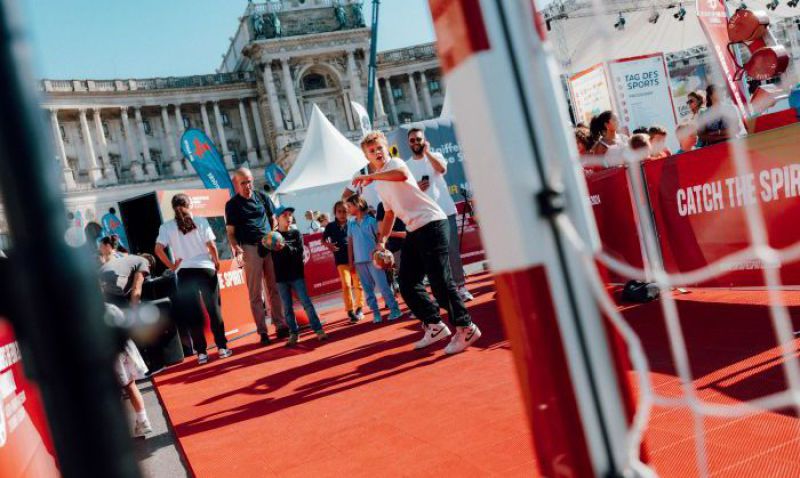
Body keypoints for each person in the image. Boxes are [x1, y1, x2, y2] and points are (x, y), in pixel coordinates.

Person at [353, 131, 482, 354]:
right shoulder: (380, 183)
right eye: (372, 151)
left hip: (432, 222)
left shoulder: (395, 163)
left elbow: (402, 175)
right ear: (368, 157)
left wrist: (370, 177)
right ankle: (434, 325)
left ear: (386, 149)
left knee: (440, 281)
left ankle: (466, 327)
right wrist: (381, 242)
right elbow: (390, 212)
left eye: (379, 148)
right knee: (407, 283)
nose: (377, 153)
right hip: (415, 229)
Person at [155, 194, 231, 365]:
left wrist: (172, 266)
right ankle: (222, 348)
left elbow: (158, 249)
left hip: (184, 272)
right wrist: (216, 262)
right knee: (214, 309)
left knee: (193, 313)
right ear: (188, 204)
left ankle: (202, 354)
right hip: (205, 268)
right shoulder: (200, 221)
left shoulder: (166, 227)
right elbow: (211, 245)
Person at [404, 128, 473, 302]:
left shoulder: (435, 155)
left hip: (445, 211)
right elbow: (407, 191)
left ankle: (461, 287)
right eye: (412, 140)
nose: (415, 143)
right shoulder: (407, 165)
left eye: (418, 139)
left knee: (451, 251)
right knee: (431, 256)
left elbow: (441, 169)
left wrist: (427, 152)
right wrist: (417, 187)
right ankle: (444, 291)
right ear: (408, 143)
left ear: (424, 140)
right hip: (425, 216)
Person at [225, 167, 288, 345]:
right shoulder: (232, 205)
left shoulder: (262, 197)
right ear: (236, 184)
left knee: (274, 287)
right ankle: (262, 331)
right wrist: (236, 247)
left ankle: (280, 324)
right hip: (249, 247)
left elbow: (273, 218)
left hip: (268, 244)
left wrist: (274, 235)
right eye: (243, 183)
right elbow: (230, 231)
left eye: (249, 181)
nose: (247, 186)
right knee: (255, 293)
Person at [97, 241, 154, 437]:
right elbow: (137, 291)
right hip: (112, 307)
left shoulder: (125, 259)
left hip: (106, 298)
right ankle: (141, 420)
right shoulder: (142, 263)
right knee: (128, 383)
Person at [272, 206, 328, 346]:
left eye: (290, 215)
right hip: (281, 278)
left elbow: (298, 253)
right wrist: (264, 243)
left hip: (296, 275)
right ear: (277, 218)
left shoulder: (296, 233)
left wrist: (284, 246)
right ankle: (294, 334)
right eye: (284, 215)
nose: (288, 217)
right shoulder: (272, 237)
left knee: (306, 303)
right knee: (287, 308)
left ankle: (319, 330)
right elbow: (263, 254)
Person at [345, 194, 403, 323]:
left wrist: (383, 255)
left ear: (358, 205)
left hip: (374, 260)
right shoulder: (351, 224)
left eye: (349, 206)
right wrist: (351, 262)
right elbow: (350, 243)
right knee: (367, 290)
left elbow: (380, 238)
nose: (347, 209)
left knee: (383, 287)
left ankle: (395, 310)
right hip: (359, 262)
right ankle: (376, 314)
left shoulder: (371, 221)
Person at [323, 201, 365, 324]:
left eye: (344, 211)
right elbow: (323, 240)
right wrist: (328, 245)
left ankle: (359, 308)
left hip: (356, 259)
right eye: (339, 211)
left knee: (358, 284)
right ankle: (350, 310)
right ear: (335, 213)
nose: (342, 214)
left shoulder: (353, 224)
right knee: (346, 285)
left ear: (348, 212)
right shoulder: (330, 226)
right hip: (341, 261)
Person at [376, 202, 406, 296]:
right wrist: (402, 234)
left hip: (413, 244)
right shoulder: (382, 206)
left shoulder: (406, 199)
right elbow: (381, 230)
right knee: (402, 278)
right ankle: (391, 298)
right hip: (394, 249)